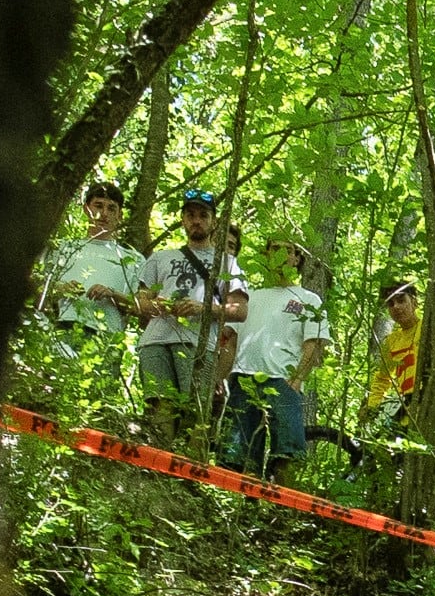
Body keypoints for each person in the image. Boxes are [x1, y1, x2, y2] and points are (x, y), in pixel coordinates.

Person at [217, 237, 331, 480]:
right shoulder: (250, 297)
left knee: (287, 455)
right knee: (236, 457)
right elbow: (231, 341)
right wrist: (221, 378)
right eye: (275, 248)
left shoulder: (308, 299)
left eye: (287, 249)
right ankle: (241, 513)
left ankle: (283, 514)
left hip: (283, 381)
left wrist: (296, 380)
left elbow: (313, 344)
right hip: (243, 380)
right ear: (266, 255)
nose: (281, 254)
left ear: (296, 258)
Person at [132, 188, 238, 435]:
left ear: (214, 221)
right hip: (156, 340)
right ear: (183, 220)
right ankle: (157, 467)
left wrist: (202, 308)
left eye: (203, 215)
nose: (196, 220)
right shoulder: (160, 258)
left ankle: (189, 470)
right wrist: (160, 305)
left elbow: (239, 310)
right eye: (190, 215)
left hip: (197, 343)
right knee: (160, 407)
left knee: (196, 412)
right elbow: (140, 302)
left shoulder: (227, 262)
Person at [40, 179, 143, 349]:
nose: (104, 213)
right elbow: (36, 292)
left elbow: (141, 308)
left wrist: (112, 294)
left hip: (107, 337)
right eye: (98, 205)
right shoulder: (63, 248)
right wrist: (61, 289)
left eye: (111, 208)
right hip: (61, 331)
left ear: (120, 215)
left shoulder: (133, 259)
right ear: (86, 209)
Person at [365, 280, 420, 427]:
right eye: (391, 304)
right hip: (406, 407)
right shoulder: (391, 341)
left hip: (430, 402)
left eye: (401, 300)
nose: (396, 307)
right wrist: (372, 408)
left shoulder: (428, 327)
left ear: (414, 302)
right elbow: (382, 379)